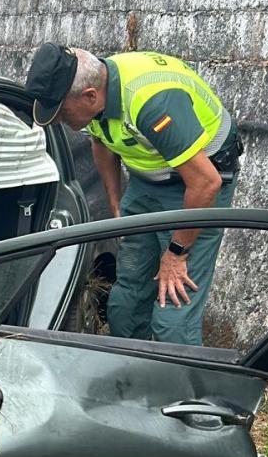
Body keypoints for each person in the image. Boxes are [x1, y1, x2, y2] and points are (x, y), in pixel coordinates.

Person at [24, 43, 242, 346]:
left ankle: (180, 388)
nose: (58, 119)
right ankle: (129, 381)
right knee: (125, 305)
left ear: (90, 97)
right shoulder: (94, 97)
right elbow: (101, 143)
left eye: (60, 111)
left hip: (197, 188)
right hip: (147, 179)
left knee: (172, 318)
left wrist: (176, 254)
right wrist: (116, 204)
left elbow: (206, 183)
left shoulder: (152, 102)